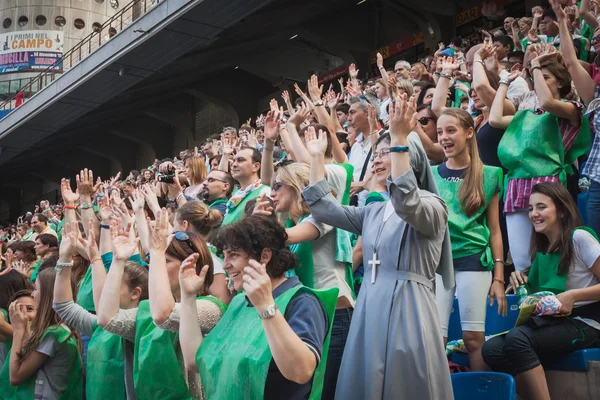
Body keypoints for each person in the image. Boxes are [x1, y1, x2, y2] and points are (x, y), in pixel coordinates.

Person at [301, 94, 453, 399]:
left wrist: (398, 136)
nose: (380, 159)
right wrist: (317, 158)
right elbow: (324, 209)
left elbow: (407, 202)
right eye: (378, 153)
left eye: (389, 153)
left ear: (412, 159)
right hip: (370, 305)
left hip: (410, 308)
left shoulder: (433, 206)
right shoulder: (372, 210)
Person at [179, 215, 337, 399]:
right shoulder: (240, 302)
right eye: (224, 255)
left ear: (265, 256)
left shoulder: (302, 301)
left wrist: (266, 307)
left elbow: (300, 372)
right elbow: (195, 361)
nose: (226, 264)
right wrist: (188, 297)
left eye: (234, 255)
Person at [482, 182, 600, 400]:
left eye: (541, 207)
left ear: (562, 211)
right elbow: (540, 295)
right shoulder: (543, 250)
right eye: (530, 208)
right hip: (557, 322)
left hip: (588, 322)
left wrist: (572, 296)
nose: (534, 214)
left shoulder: (579, 238)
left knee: (517, 339)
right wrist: (520, 279)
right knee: (492, 349)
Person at [97, 213, 226, 400]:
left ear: (193, 265)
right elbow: (107, 319)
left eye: (165, 261)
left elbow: (165, 316)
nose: (154, 268)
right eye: (154, 261)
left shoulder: (211, 307)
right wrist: (118, 261)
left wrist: (156, 252)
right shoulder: (147, 311)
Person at [255, 159, 354, 399]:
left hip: (334, 315)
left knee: (325, 391)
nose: (273, 193)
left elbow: (285, 238)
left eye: (278, 186)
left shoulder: (323, 215)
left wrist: (259, 226)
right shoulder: (294, 221)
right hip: (309, 313)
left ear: (297, 185)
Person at [489, 49, 590, 273]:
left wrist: (534, 64)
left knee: (552, 252)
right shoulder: (527, 115)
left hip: (548, 185)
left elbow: (547, 102)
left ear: (561, 82)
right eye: (536, 77)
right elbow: (494, 119)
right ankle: (530, 304)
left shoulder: (572, 109)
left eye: (545, 77)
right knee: (522, 261)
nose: (537, 80)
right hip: (516, 185)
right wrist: (504, 80)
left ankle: (555, 301)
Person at [432, 108, 506, 371]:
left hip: (474, 261)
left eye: (451, 130)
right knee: (434, 340)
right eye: (440, 132)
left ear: (469, 132)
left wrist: (499, 278)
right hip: (437, 265)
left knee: (474, 340)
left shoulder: (490, 174)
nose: (444, 137)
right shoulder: (429, 174)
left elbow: (495, 230)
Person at [53, 221, 148, 400]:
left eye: (114, 284)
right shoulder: (102, 328)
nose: (107, 289)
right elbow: (63, 306)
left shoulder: (142, 327)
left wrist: (113, 260)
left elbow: (110, 318)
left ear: (135, 293)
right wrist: (64, 258)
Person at [0, 268, 83, 399]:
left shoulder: (55, 334)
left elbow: (15, 377)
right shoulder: (58, 330)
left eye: (36, 289)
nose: (33, 294)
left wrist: (18, 330)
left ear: (48, 294)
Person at [173, 200, 232, 305]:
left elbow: (222, 302)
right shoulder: (203, 251)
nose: (172, 230)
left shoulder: (209, 258)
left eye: (174, 225)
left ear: (184, 225)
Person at [221, 147, 271, 226]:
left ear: (256, 166)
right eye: (234, 161)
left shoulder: (264, 192)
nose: (234, 165)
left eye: (240, 160)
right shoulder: (236, 195)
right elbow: (220, 177)